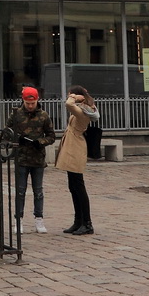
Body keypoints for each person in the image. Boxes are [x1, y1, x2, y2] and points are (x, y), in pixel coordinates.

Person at [6, 86, 56, 234]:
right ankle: (18, 220)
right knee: (20, 191)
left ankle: (39, 218)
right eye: (27, 103)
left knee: (38, 191)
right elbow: (6, 132)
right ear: (23, 100)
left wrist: (40, 142)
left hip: (37, 158)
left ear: (37, 100)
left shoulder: (44, 116)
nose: (30, 106)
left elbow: (51, 136)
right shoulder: (16, 115)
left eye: (32, 103)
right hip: (21, 157)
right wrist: (16, 139)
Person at [55, 85, 99, 235]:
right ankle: (78, 221)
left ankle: (87, 223)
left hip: (76, 147)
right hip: (71, 145)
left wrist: (75, 97)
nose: (69, 97)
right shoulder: (82, 108)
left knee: (79, 186)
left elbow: (68, 104)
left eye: (71, 94)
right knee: (73, 186)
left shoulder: (83, 110)